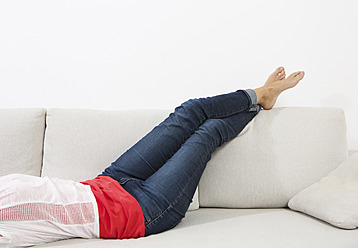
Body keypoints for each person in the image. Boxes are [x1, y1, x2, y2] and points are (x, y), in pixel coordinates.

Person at [0, 67, 305, 247]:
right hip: (143, 211)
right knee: (207, 134)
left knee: (190, 111)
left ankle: (260, 95)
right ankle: (260, 104)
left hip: (109, 182)